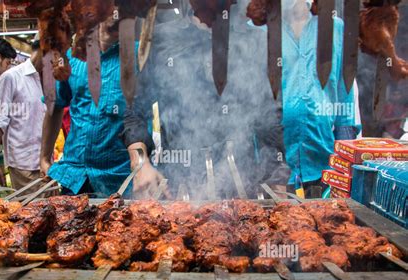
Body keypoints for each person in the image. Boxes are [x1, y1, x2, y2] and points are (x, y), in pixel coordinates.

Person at [123, 0, 288, 200]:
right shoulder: (163, 40)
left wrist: (277, 183)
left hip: (238, 185)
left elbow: (269, 122)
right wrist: (140, 164)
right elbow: (135, 111)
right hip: (178, 183)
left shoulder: (255, 42)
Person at [40, 14, 132, 197]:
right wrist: (44, 157)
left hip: (120, 179)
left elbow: (165, 107)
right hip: (75, 178)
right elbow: (55, 106)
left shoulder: (137, 57)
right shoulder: (70, 59)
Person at [280, 0, 357, 198]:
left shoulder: (336, 30)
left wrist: (344, 165)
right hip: (274, 166)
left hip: (323, 161)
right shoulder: (261, 31)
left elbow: (345, 98)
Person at [0, 40, 45, 190]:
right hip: (23, 165)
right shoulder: (11, 77)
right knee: (30, 211)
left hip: (46, 165)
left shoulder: (49, 80)